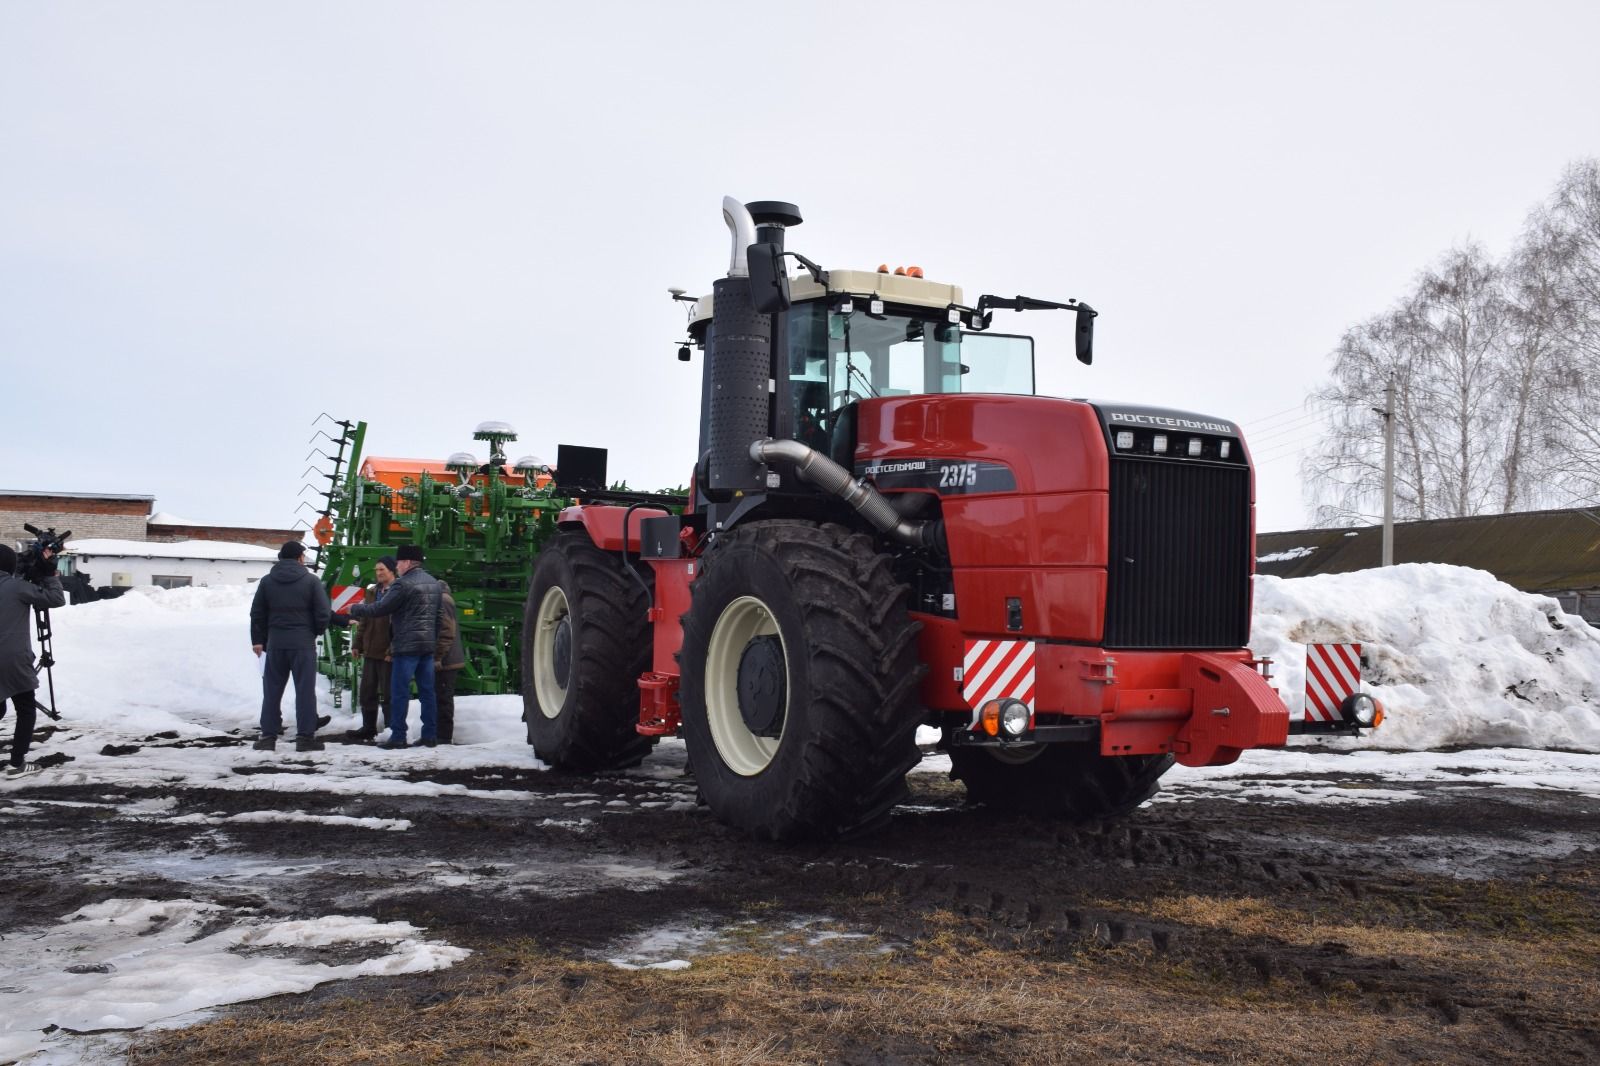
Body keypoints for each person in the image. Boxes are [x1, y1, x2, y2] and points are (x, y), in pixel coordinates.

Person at [341, 544, 441, 750]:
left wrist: (355, 608)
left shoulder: (402, 584)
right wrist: (432, 640)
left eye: (398, 563)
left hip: (405, 646)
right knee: (427, 692)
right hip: (427, 646)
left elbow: (381, 608)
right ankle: (430, 735)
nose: (397, 567)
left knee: (399, 692)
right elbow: (439, 618)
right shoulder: (434, 584)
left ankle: (398, 736)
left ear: (406, 562)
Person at [249, 541, 332, 752]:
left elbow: (257, 613)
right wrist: (314, 632)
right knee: (305, 691)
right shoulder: (311, 581)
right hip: (303, 644)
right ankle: (305, 738)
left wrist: (263, 638)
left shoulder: (267, 582)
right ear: (299, 557)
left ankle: (268, 737)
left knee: (272, 691)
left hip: (276, 644)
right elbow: (323, 613)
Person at [0, 542, 66, 778]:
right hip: (13, 660)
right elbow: (56, 599)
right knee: (25, 709)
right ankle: (17, 765)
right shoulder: (18, 588)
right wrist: (48, 574)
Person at [343, 555, 397, 743]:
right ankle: (368, 728)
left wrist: (393, 649)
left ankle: (391, 730)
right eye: (376, 570)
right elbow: (364, 620)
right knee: (367, 691)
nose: (378, 573)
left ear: (392, 570)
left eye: (382, 569)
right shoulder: (373, 592)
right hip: (371, 649)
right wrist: (357, 643)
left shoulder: (397, 592)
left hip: (388, 652)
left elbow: (399, 625)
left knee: (389, 693)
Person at [434, 580, 467, 744]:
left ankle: (444, 737)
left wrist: (438, 656)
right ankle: (440, 734)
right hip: (448, 658)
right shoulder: (445, 599)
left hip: (447, 660)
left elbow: (446, 631)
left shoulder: (443, 601)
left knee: (443, 698)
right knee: (442, 697)